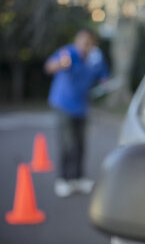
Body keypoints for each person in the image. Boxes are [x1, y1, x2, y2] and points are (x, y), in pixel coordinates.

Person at [44, 29, 110, 197]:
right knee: (66, 142)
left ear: (92, 44)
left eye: (88, 42)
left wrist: (105, 82)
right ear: (76, 42)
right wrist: (60, 64)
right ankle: (63, 180)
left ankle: (78, 178)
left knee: (80, 143)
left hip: (82, 106)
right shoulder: (68, 53)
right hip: (64, 104)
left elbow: (103, 75)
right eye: (81, 41)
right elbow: (49, 67)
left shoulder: (96, 57)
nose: (84, 45)